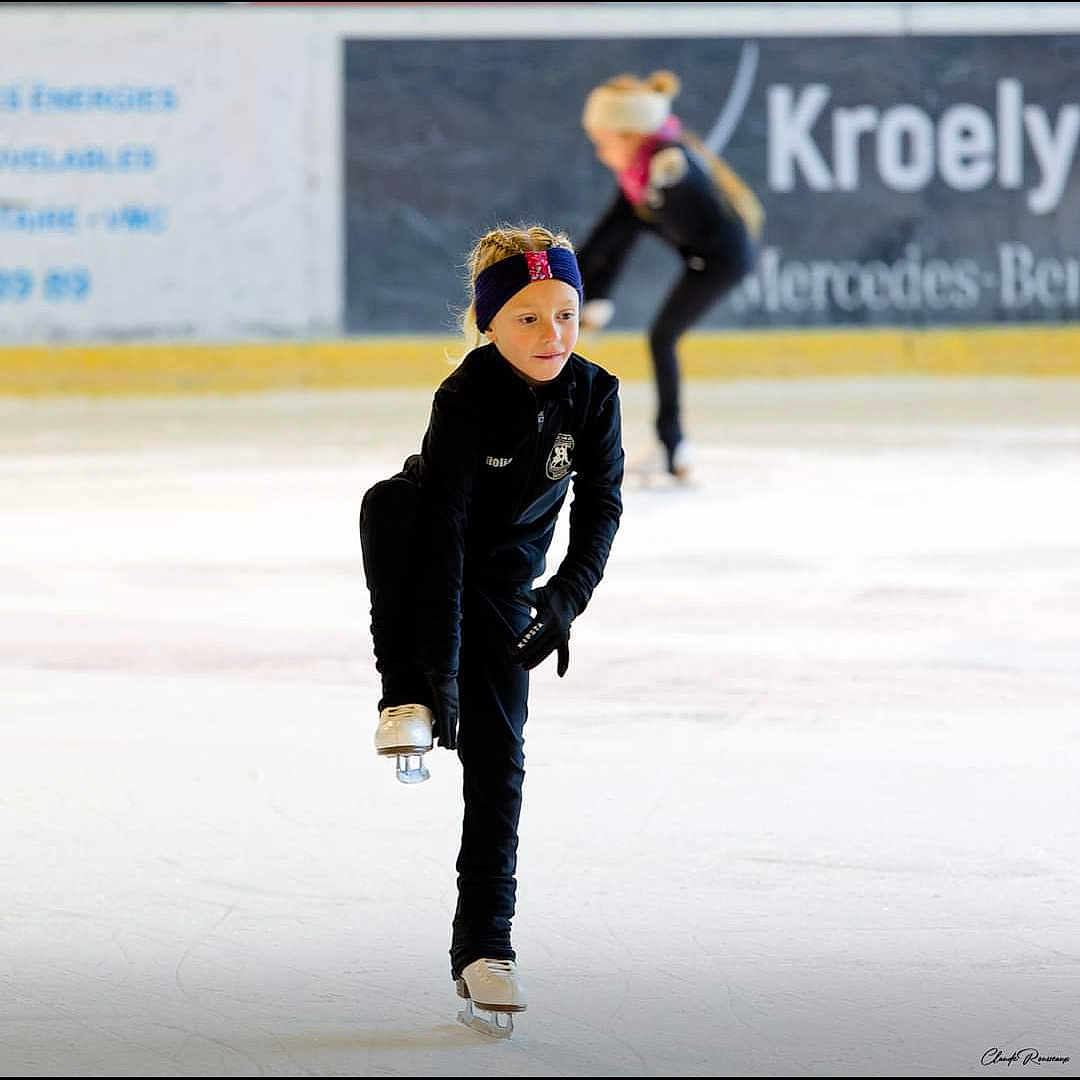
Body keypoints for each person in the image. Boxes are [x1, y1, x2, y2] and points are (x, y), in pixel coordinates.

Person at [358, 225, 624, 1037]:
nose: (553, 335)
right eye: (527, 318)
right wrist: (432, 684)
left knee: (501, 760)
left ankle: (485, 947)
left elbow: (601, 508)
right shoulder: (465, 398)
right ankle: (400, 696)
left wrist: (564, 600)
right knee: (390, 503)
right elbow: (442, 534)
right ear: (486, 324)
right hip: (428, 554)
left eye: (565, 315)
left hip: (508, 588)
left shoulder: (595, 393)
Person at [577, 69, 764, 481]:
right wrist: (588, 294)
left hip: (725, 259)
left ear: (628, 134)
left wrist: (672, 179)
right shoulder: (640, 176)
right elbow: (607, 240)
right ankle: (672, 444)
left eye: (602, 141)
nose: (599, 151)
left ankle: (673, 445)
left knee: (662, 337)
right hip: (702, 256)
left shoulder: (669, 162)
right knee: (622, 234)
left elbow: (686, 182)